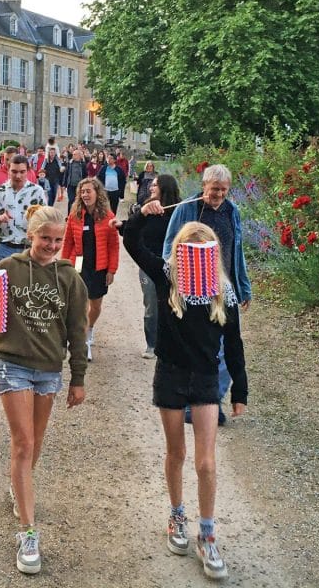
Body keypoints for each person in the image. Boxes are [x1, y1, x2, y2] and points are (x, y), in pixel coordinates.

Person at [0, 205, 88, 575]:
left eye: (58, 241)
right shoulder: (9, 269)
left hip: (49, 371)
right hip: (13, 365)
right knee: (23, 442)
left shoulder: (70, 278)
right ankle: (28, 532)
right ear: (30, 234)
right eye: (45, 239)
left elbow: (78, 330)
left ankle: (18, 483)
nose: (51, 246)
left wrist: (78, 378)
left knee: (34, 444)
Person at [121, 215, 248, 581]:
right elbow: (132, 240)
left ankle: (207, 533)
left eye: (202, 250)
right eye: (188, 250)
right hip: (171, 375)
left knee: (206, 463)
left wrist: (239, 389)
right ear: (179, 253)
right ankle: (177, 515)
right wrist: (146, 211)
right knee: (176, 452)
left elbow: (234, 344)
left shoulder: (223, 291)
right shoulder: (166, 277)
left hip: (206, 378)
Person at [144, 163, 252, 426]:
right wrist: (171, 280)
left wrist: (243, 286)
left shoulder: (231, 211)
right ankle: (194, 398)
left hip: (221, 287)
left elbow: (237, 251)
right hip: (191, 286)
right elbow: (171, 244)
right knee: (198, 347)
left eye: (224, 190)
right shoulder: (187, 209)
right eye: (215, 189)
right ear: (204, 186)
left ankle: (212, 399)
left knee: (227, 348)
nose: (219, 195)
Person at [122, 174, 181, 358]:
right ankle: (151, 344)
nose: (150, 188)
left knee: (172, 303)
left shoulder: (177, 211)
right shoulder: (146, 208)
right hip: (148, 264)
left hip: (171, 265)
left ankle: (170, 341)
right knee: (151, 305)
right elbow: (134, 230)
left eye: (155, 185)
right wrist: (122, 226)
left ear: (165, 188)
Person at [61, 177, 119, 361]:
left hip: (99, 266)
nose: (85, 195)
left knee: (95, 305)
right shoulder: (75, 215)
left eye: (88, 191)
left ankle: (90, 328)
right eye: (82, 192)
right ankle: (83, 341)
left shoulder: (108, 217)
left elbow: (113, 245)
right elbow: (68, 242)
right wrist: (64, 266)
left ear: (97, 193)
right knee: (80, 304)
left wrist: (112, 270)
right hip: (79, 264)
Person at [0, 155, 47, 260]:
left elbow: (47, 220)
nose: (18, 176)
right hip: (4, 246)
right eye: (14, 172)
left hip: (29, 247)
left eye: (22, 172)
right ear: (8, 170)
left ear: (28, 171)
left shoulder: (37, 192)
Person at [96, 151, 127, 217]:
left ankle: (112, 220)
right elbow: (98, 178)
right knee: (103, 207)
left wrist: (121, 193)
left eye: (110, 158)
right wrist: (100, 188)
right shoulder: (104, 168)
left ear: (114, 160)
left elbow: (123, 181)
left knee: (113, 209)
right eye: (108, 158)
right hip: (105, 191)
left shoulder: (119, 169)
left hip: (115, 192)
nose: (108, 160)